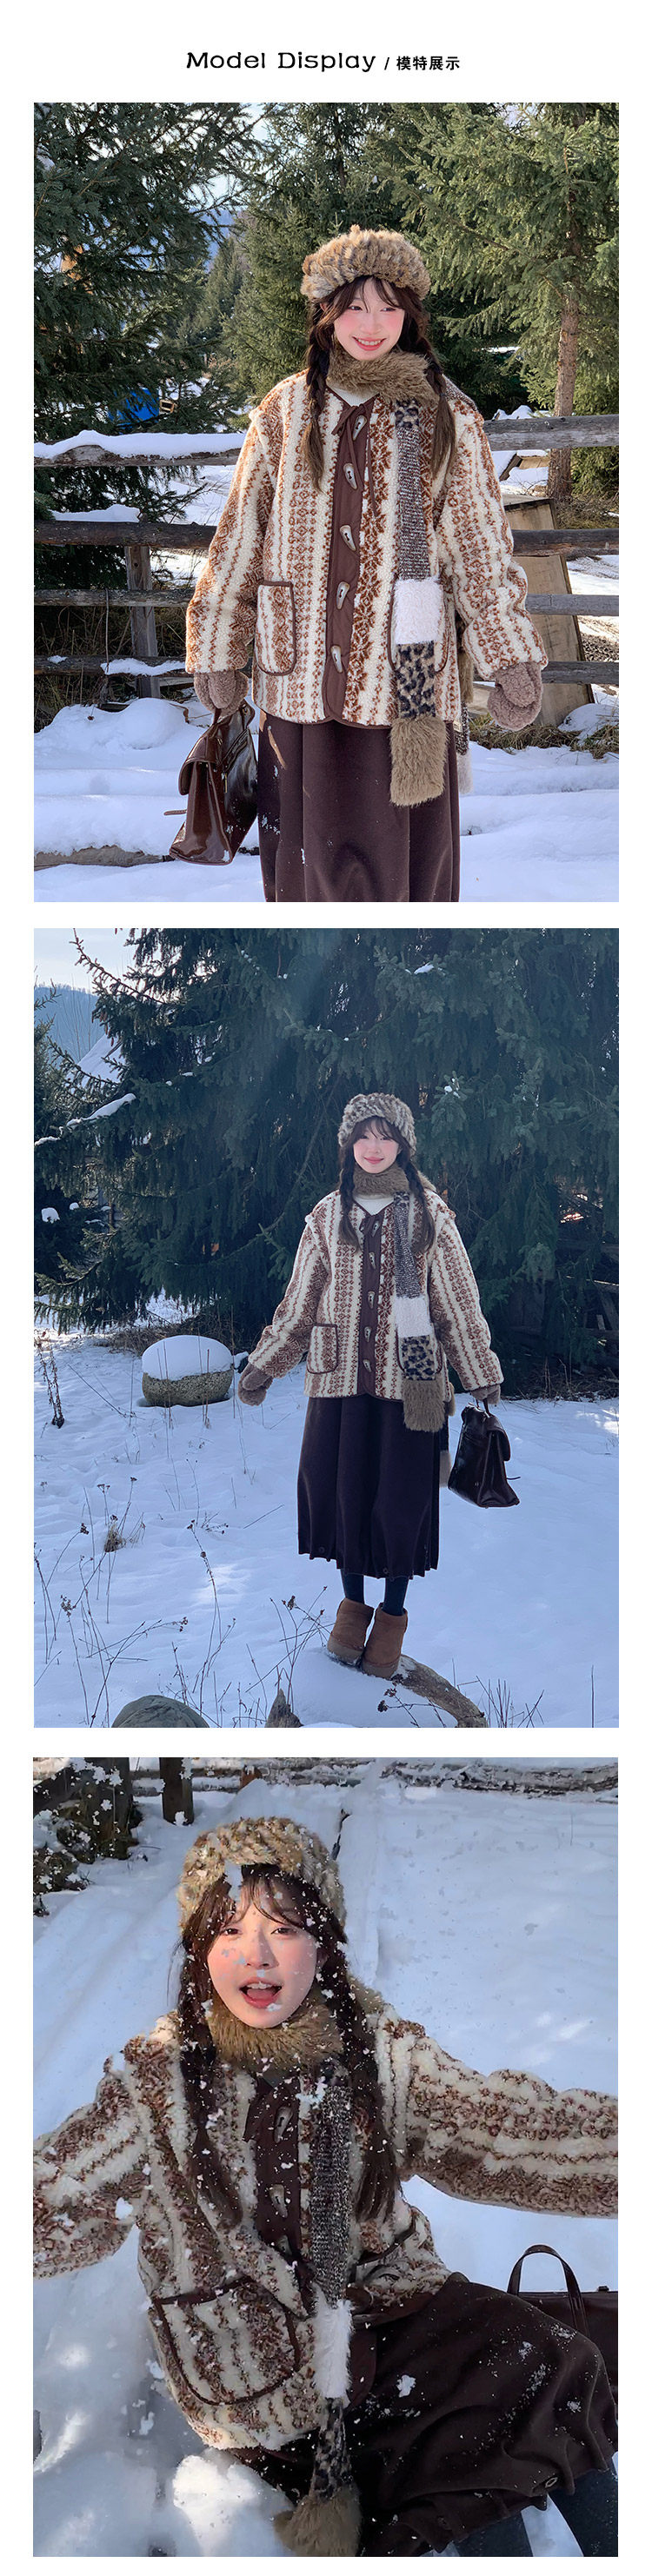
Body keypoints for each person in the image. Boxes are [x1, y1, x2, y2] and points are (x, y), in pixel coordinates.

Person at [34, 1816, 618, 2558]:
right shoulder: (157, 2090)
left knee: (549, 2363)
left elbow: (510, 2131)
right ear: (200, 1951)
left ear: (324, 1943)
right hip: (265, 2379)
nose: (257, 1956)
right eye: (229, 1932)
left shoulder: (375, 2053)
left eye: (284, 1929)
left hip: (393, 2308)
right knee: (483, 2421)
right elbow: (50, 2194)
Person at [186, 224, 546, 904]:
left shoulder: (447, 415)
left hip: (403, 695)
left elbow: (480, 549)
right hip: (299, 689)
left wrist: (508, 655)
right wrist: (217, 649)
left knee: (403, 881)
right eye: (354, 306)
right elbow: (239, 539)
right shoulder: (285, 411)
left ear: (410, 313)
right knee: (304, 878)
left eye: (388, 306)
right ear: (328, 313)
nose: (372, 324)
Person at [236, 1091, 502, 1679]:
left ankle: (392, 1620)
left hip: (412, 1391)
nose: (374, 1147)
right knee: (345, 1501)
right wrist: (264, 1364)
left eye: (386, 1136)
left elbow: (457, 1304)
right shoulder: (327, 1216)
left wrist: (481, 1372)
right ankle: (352, 1610)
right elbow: (300, 1303)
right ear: (349, 1145)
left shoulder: (431, 1215)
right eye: (363, 1136)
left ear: (403, 1145)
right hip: (339, 1387)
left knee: (401, 1507)